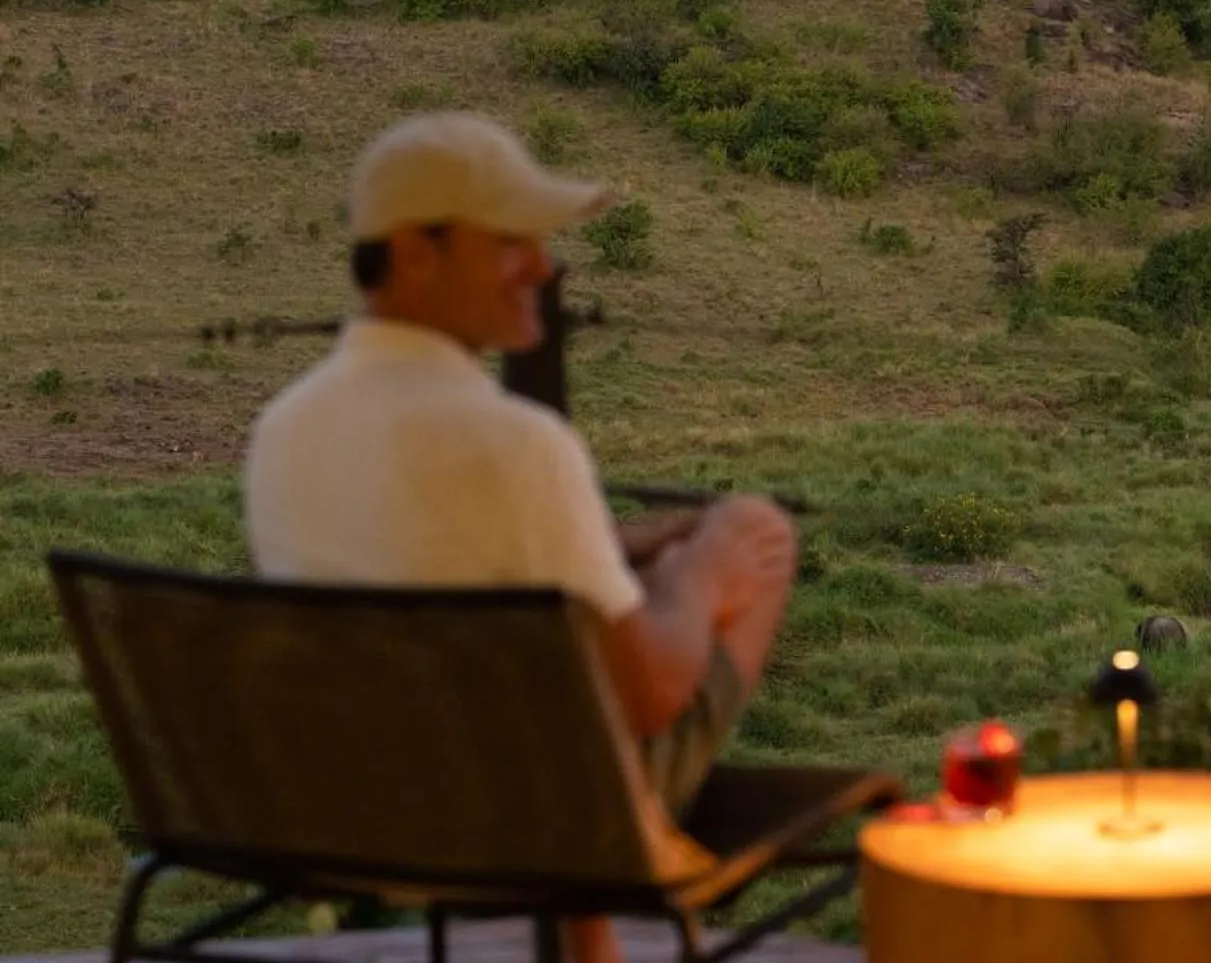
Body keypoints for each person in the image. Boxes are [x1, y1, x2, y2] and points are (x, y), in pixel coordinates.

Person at [245, 112, 797, 963]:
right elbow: (652, 693)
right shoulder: (515, 445)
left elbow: (436, 572)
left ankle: (590, 942)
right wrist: (702, 572)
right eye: (511, 242)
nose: (542, 267)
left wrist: (624, 548)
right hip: (532, 823)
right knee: (751, 532)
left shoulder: (283, 428)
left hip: (340, 811)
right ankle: (634, 845)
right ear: (415, 253)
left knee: (593, 624)